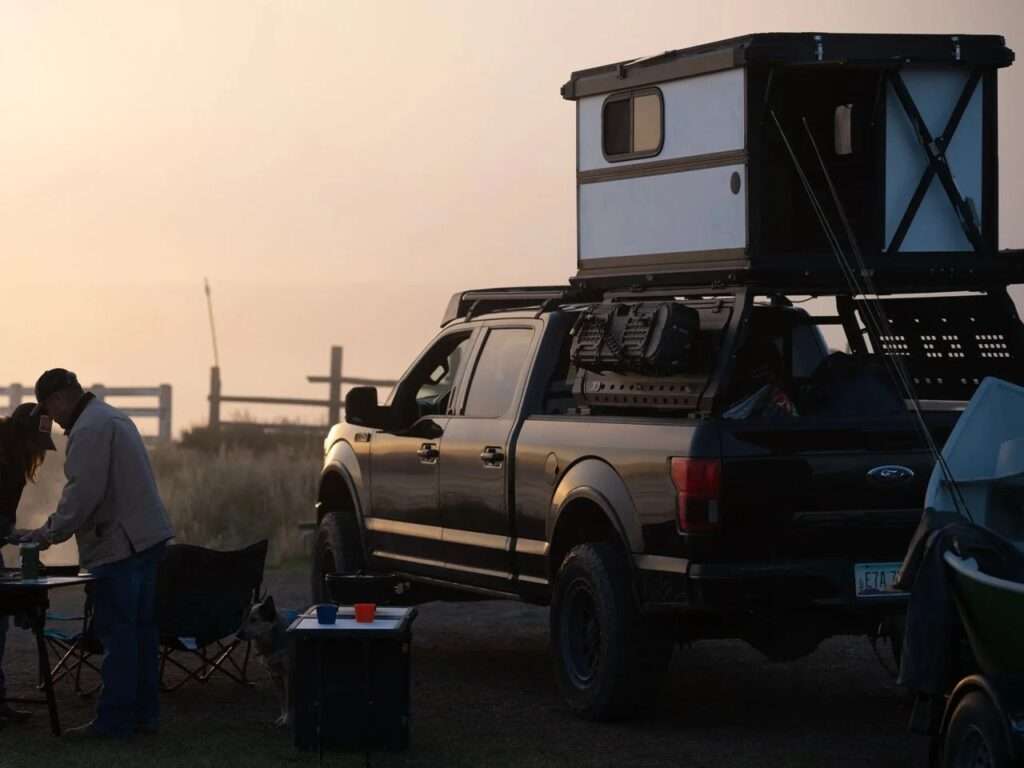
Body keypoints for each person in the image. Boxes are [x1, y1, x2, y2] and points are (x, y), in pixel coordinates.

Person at [14, 369, 174, 739]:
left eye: (51, 413)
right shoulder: (114, 417)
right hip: (146, 538)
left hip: (122, 545)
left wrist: (46, 535)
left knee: (118, 635)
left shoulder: (89, 429)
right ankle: (144, 716)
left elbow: (82, 495)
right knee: (142, 634)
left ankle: (114, 721)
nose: (54, 421)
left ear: (56, 400)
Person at [0, 403, 56, 727]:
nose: (39, 452)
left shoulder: (15, 464)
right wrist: (9, 532)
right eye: (35, 443)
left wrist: (10, 532)